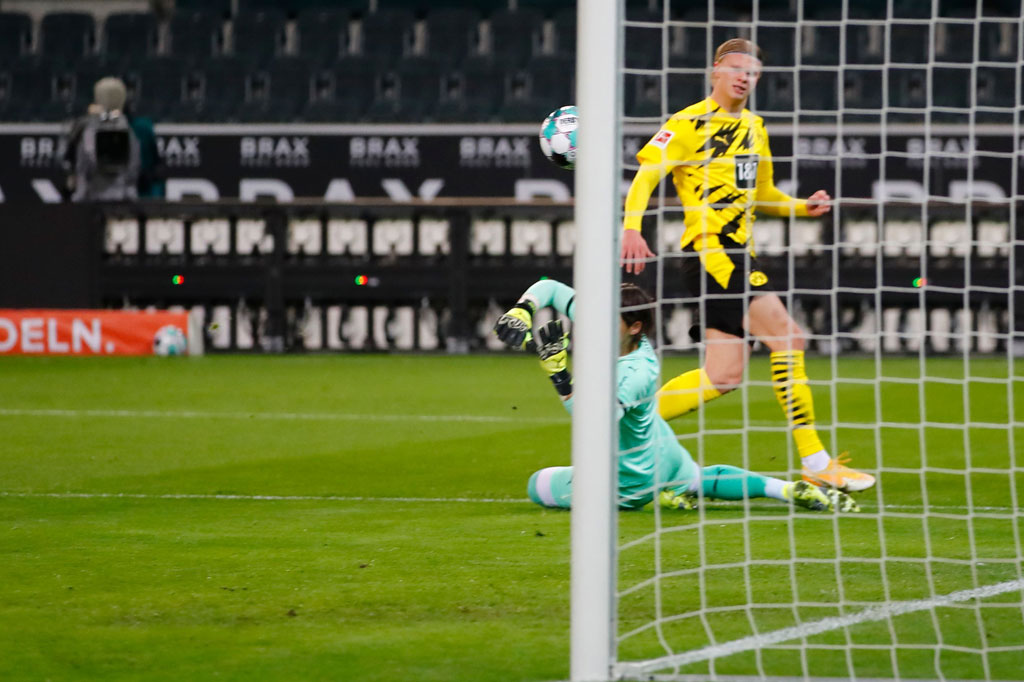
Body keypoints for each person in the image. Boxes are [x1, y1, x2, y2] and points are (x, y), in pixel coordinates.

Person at [620, 37, 875, 493]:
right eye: (735, 67)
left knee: (723, 376)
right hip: (713, 252)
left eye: (752, 71)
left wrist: (803, 207)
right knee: (789, 336)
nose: (744, 76)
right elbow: (646, 175)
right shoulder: (686, 123)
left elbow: (764, 195)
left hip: (737, 254)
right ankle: (815, 460)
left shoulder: (756, 127)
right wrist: (632, 227)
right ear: (715, 71)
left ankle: (624, 430)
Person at [493, 278, 859, 513]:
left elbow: (596, 426)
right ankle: (784, 489)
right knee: (699, 479)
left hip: (628, 476)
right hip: (661, 449)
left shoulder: (636, 372)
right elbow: (550, 288)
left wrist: (559, 375)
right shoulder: (622, 335)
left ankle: (654, 493)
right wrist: (523, 310)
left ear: (635, 326)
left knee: (537, 484)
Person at [62, 76, 140, 202]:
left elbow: (82, 166)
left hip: (107, 197)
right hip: (100, 196)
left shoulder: (89, 127)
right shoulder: (88, 126)